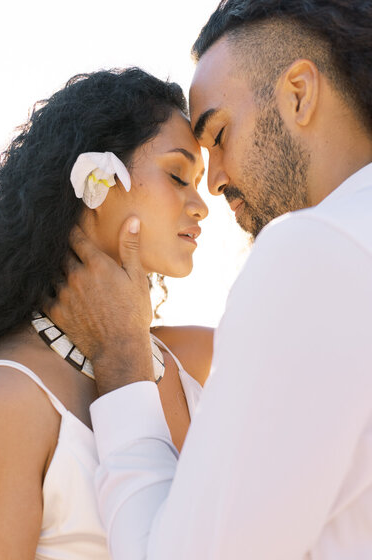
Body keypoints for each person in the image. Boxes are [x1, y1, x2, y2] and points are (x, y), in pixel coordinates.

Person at [48, 1, 372, 559]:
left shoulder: (311, 251)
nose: (215, 184)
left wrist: (123, 361)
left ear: (298, 93)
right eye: (182, 173)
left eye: (219, 134)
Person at [0, 67, 213, 559]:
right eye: (177, 176)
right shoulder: (4, 400)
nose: (200, 206)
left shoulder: (202, 360)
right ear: (94, 183)